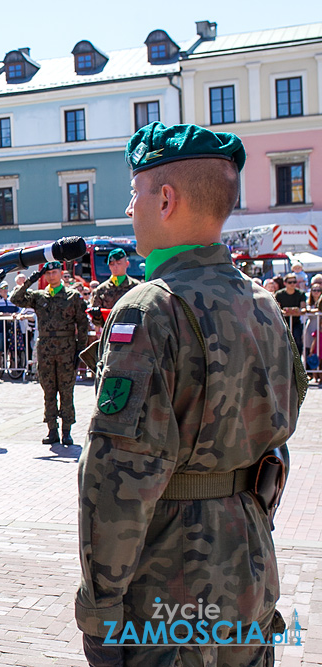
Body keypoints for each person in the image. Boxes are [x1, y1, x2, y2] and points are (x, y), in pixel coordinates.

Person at [76, 122, 305, 667]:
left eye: (135, 194)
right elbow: (280, 437)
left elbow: (119, 476)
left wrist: (100, 609)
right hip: (248, 556)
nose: (130, 209)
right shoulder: (263, 304)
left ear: (166, 198)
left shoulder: (152, 307)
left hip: (172, 576)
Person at [12, 260, 88, 446]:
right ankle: (52, 429)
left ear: (61, 274)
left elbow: (82, 324)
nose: (51, 276)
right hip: (45, 348)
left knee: (66, 390)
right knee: (48, 390)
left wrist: (80, 349)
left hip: (66, 347)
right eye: (48, 273)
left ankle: (67, 431)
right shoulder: (39, 296)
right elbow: (16, 298)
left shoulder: (72, 296)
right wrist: (30, 281)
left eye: (54, 272)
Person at [89, 248, 141, 327]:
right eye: (112, 264)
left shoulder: (136, 287)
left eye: (119, 263)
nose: (115, 267)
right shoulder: (101, 290)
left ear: (127, 264)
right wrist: (97, 316)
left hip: (132, 331)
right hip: (109, 331)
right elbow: (97, 323)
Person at [0, 282, 19, 377]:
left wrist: (15, 315)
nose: (5, 290)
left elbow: (18, 311)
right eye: (2, 288)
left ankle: (13, 368)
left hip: (12, 328)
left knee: (12, 349)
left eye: (6, 287)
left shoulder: (12, 299)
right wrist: (0, 315)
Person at [275, 272, 306, 354]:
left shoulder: (301, 294)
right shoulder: (279, 294)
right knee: (283, 342)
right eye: (290, 282)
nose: (292, 284)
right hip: (283, 323)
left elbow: (303, 308)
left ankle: (298, 361)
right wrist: (285, 311)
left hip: (296, 322)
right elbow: (277, 308)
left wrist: (297, 311)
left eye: (294, 282)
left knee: (297, 339)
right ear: (285, 283)